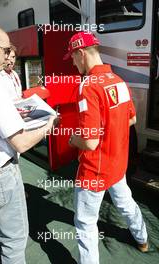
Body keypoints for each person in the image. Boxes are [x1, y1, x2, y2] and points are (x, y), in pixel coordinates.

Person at [64, 31, 148, 264]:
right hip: (117, 163)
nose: (72, 62)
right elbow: (131, 120)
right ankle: (142, 239)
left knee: (85, 223)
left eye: (72, 56)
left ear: (81, 53)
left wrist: (72, 139)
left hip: (94, 169)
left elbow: (89, 142)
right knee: (126, 203)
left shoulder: (88, 86)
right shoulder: (118, 80)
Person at [0, 23, 56, 264]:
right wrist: (48, 124)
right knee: (13, 242)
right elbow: (22, 143)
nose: (7, 57)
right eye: (4, 50)